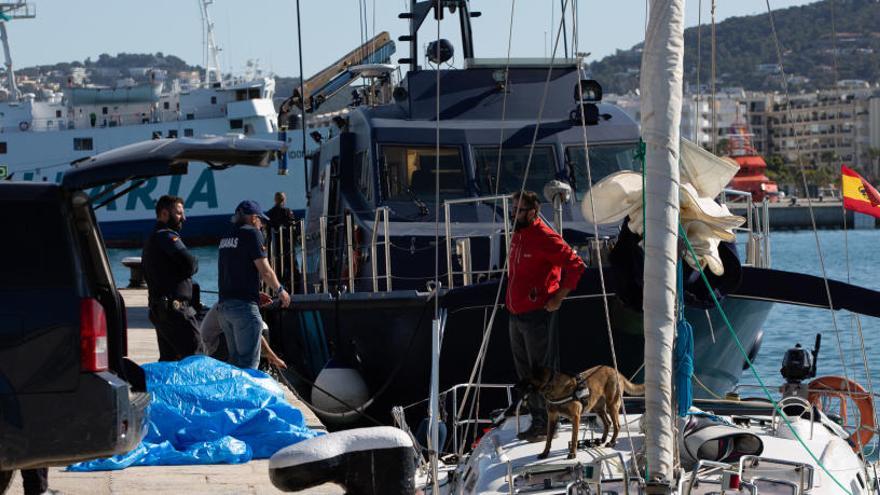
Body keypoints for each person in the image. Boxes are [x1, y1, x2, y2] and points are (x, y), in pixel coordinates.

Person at [506, 190, 586, 442]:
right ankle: (536, 416)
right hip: (516, 314)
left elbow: (576, 265)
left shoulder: (544, 236)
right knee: (524, 371)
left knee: (541, 371)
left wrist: (558, 297)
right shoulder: (519, 234)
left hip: (536, 315)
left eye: (517, 210)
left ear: (532, 212)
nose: (512, 214)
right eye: (512, 209)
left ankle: (547, 420)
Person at [217, 200, 291, 369]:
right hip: (243, 309)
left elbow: (231, 271)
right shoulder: (252, 234)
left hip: (224, 308)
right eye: (260, 219)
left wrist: (255, 293)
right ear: (252, 218)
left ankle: (235, 395)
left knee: (235, 364)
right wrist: (280, 290)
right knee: (249, 365)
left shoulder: (227, 235)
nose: (262, 224)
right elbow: (265, 270)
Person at [142, 195, 201, 361]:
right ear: (164, 214)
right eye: (179, 213)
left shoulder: (152, 238)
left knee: (169, 362)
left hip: (161, 310)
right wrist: (193, 263)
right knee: (196, 358)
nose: (184, 218)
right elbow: (190, 264)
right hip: (176, 312)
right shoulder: (167, 237)